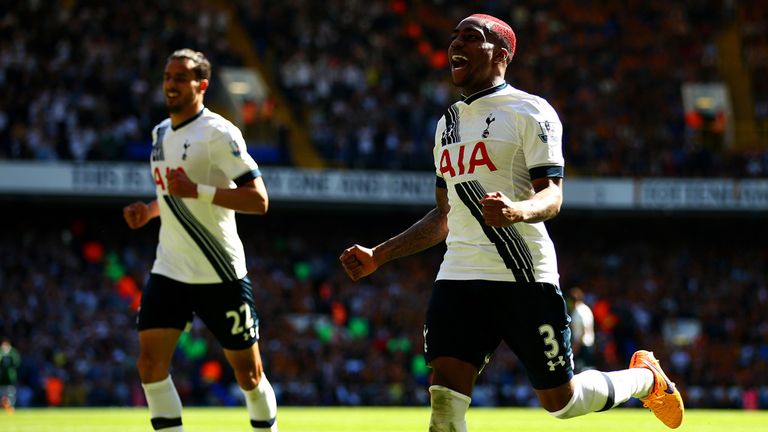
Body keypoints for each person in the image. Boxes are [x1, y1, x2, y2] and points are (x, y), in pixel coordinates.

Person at [340, 14, 684, 430]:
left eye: (470, 38)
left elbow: (553, 195)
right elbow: (444, 213)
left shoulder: (530, 111)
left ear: (500, 54)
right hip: (459, 275)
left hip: (523, 275)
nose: (456, 45)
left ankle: (645, 379)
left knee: (562, 402)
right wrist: (380, 255)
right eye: (454, 38)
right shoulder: (446, 124)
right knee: (444, 401)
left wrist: (518, 211)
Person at [123, 49, 276, 432]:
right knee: (150, 367)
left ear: (201, 85)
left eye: (180, 77)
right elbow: (173, 196)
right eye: (167, 76)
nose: (170, 84)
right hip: (170, 269)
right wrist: (150, 210)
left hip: (220, 272)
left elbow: (259, 200)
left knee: (250, 376)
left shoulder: (218, 133)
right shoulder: (159, 134)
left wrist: (198, 190)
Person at [568, 287, 596, 372]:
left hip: (583, 345)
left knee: (584, 370)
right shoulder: (584, 309)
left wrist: (577, 345)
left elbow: (585, 327)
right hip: (585, 344)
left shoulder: (580, 311)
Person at [0, 338, 21, 414]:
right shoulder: (1, 352)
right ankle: (3, 406)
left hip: (10, 377)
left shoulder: (13, 352)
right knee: (2, 392)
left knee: (10, 392)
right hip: (2, 377)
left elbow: (17, 362)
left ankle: (10, 406)